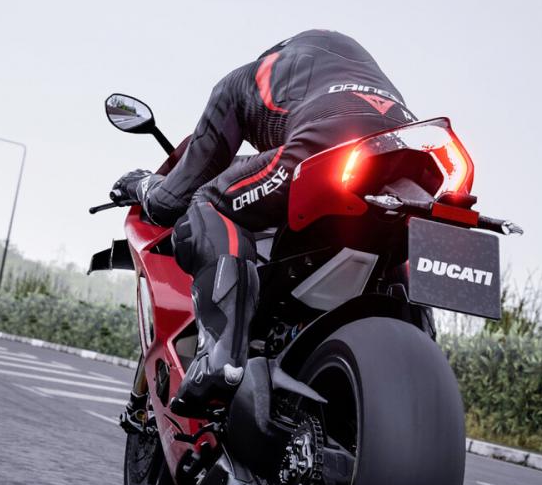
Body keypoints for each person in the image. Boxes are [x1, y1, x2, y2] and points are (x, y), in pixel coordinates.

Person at [110, 29, 417, 416]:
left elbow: (171, 199)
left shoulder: (248, 80)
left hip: (329, 146)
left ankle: (221, 360)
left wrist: (140, 184)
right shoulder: (365, 80)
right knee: (402, 227)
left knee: (209, 203)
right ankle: (415, 366)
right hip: (418, 149)